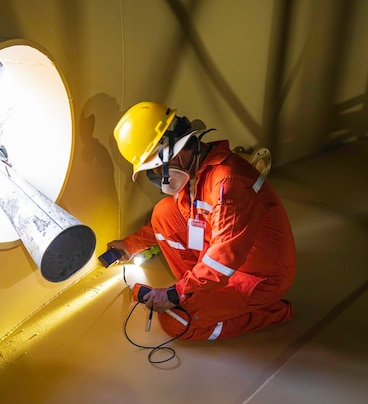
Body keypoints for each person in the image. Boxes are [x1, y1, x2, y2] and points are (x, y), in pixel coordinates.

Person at [107, 102, 296, 341]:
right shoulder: (200, 171)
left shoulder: (228, 184)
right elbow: (182, 218)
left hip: (257, 278)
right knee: (164, 213)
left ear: (172, 151)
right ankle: (199, 290)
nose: (158, 175)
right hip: (228, 263)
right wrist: (129, 245)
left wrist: (175, 295)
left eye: (156, 166)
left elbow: (223, 260)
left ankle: (272, 312)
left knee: (177, 321)